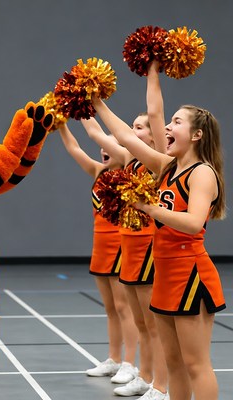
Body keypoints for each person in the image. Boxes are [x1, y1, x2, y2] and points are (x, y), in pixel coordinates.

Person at [92, 69, 226, 400]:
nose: (167, 126)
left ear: (196, 135)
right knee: (175, 363)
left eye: (177, 122)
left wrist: (150, 209)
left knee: (197, 364)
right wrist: (96, 102)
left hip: (191, 272)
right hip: (165, 271)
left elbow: (195, 223)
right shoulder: (167, 166)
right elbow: (127, 136)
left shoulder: (202, 173)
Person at [81, 62, 169, 400]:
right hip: (129, 248)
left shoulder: (156, 159)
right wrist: (81, 103)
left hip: (148, 246)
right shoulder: (129, 161)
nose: (132, 132)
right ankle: (145, 376)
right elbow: (102, 134)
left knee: (154, 322)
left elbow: (150, 116)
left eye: (139, 128)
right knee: (144, 322)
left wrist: (152, 73)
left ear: (151, 135)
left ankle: (157, 384)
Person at [58, 122, 139, 384]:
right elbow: (74, 148)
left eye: (109, 144)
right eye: (102, 146)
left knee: (124, 307)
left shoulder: (130, 174)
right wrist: (61, 126)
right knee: (110, 309)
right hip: (100, 249)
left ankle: (130, 363)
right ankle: (114, 359)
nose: (103, 150)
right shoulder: (97, 172)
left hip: (120, 248)